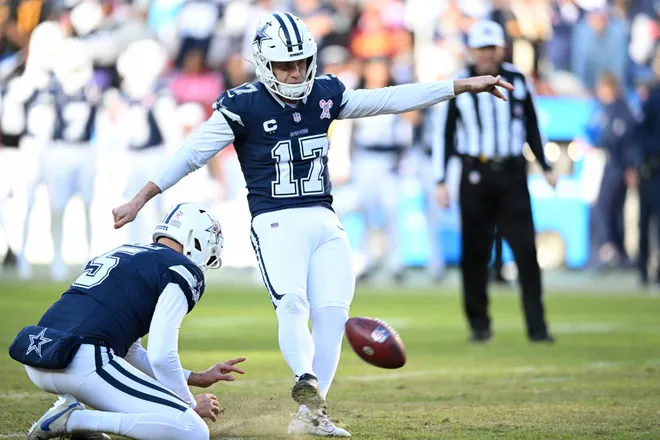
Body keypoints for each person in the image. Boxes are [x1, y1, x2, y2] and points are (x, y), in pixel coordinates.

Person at [111, 12, 513, 437]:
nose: (297, 71)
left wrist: (461, 85)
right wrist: (142, 197)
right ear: (264, 63)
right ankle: (304, 378)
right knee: (292, 303)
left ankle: (312, 416)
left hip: (324, 218)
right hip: (276, 221)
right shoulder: (242, 102)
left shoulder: (324, 93)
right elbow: (191, 154)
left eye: (302, 61)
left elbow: (390, 98)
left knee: (332, 317)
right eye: (286, 64)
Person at [9, 203, 246, 440]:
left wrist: (193, 377)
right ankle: (76, 420)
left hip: (41, 354)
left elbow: (130, 352)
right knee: (192, 430)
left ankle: (78, 424)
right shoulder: (181, 269)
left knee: (174, 416)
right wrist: (188, 405)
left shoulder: (124, 252)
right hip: (83, 362)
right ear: (196, 239)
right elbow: (161, 355)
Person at [433, 20, 555, 344]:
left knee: (526, 252)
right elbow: (444, 133)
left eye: (492, 47)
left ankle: (537, 328)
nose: (487, 54)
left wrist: (545, 164)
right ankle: (479, 325)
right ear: (472, 49)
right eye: (482, 48)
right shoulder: (459, 83)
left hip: (513, 173)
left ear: (500, 48)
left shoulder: (517, 79)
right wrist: (441, 179)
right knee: (474, 254)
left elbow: (532, 124)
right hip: (475, 174)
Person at [585, 72, 636, 271]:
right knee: (609, 208)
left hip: (615, 165)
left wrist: (630, 166)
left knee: (607, 207)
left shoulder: (620, 110)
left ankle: (610, 249)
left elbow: (620, 139)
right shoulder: (603, 109)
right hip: (606, 164)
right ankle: (612, 251)